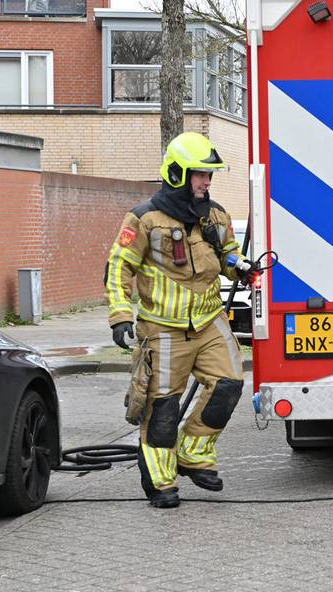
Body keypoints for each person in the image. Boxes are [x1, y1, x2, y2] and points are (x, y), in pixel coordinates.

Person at [105, 132, 256, 509]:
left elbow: (227, 254)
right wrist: (120, 315)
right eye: (200, 174)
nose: (207, 181)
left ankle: (193, 454)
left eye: (209, 175)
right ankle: (161, 482)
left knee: (229, 384)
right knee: (163, 407)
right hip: (163, 328)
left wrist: (240, 267)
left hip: (209, 321)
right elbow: (119, 267)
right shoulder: (144, 219)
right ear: (177, 174)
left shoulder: (215, 215)